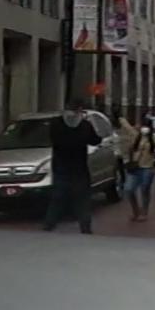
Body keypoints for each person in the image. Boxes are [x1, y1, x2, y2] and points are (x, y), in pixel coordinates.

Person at [43, 98, 100, 233]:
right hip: (79, 166)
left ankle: (49, 224)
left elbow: (52, 139)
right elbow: (95, 140)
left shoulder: (56, 123)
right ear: (79, 109)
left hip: (61, 164)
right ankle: (85, 227)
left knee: (57, 197)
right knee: (82, 198)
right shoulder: (85, 125)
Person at [119, 112, 155, 221]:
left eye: (146, 125)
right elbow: (127, 126)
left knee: (145, 190)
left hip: (147, 168)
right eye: (143, 125)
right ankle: (135, 211)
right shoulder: (135, 135)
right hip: (135, 168)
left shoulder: (154, 139)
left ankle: (144, 212)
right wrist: (120, 116)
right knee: (129, 189)